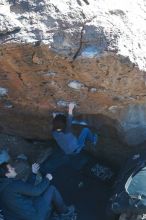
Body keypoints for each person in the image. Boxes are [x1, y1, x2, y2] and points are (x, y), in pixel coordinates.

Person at [0, 160, 75, 220]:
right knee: (51, 189)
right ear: (6, 174)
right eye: (11, 168)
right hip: (34, 215)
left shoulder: (4, 188)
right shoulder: (12, 185)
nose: (13, 168)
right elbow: (36, 191)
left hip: (24, 215)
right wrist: (47, 179)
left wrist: (33, 173)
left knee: (40, 196)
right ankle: (66, 214)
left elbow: (26, 190)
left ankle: (53, 213)